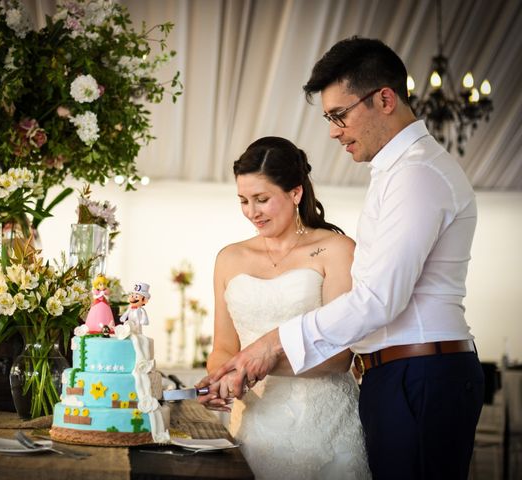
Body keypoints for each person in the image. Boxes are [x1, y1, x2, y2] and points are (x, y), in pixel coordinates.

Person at [198, 37, 484, 480]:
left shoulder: (416, 174)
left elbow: (377, 299)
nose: (332, 131)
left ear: (384, 99)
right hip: (401, 373)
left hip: (420, 374)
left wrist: (271, 344)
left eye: (339, 114)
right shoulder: (396, 172)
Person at [200, 136, 370, 479]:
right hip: (256, 426)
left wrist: (252, 368)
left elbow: (340, 356)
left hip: (326, 427)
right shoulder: (229, 259)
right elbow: (223, 348)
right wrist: (221, 378)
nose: (251, 212)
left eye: (262, 199)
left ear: (295, 193)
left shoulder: (337, 250)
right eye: (244, 200)